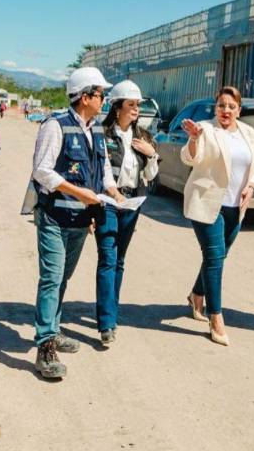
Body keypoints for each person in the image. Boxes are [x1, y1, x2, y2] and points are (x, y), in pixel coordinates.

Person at [30, 66, 125, 379]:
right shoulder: (55, 126)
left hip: (81, 219)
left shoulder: (96, 129)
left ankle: (53, 329)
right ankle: (45, 346)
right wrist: (79, 193)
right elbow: (43, 172)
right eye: (101, 95)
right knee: (52, 277)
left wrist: (113, 192)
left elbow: (105, 170)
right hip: (54, 216)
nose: (105, 100)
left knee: (63, 278)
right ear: (85, 97)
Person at [180, 86, 254, 346]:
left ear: (239, 109)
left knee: (218, 255)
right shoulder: (205, 128)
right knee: (215, 258)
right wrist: (193, 139)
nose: (225, 110)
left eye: (231, 106)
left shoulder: (248, 133)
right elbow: (190, 158)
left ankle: (197, 295)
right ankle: (216, 317)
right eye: (221, 105)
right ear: (215, 108)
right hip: (207, 203)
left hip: (235, 206)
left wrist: (251, 185)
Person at [94, 80, 159, 344]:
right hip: (108, 202)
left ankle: (112, 310)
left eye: (138, 106)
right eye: (131, 105)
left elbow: (150, 176)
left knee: (119, 259)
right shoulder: (101, 135)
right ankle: (106, 323)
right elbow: (95, 173)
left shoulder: (143, 137)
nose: (136, 110)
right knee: (108, 258)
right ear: (117, 107)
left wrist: (152, 155)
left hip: (133, 202)